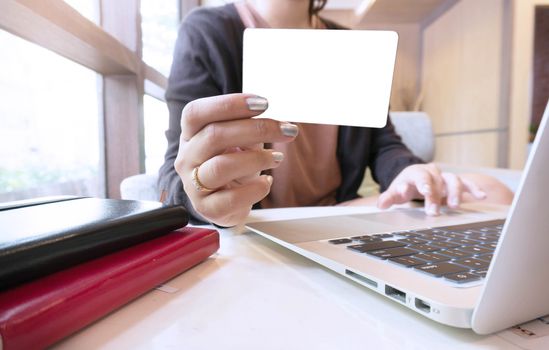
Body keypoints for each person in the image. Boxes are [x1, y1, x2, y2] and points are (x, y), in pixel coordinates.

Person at [158, 0, 513, 227]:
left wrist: (410, 172)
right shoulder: (209, 32)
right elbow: (176, 174)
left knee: (492, 191)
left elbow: (384, 145)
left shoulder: (349, 43)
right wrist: (202, 193)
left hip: (332, 218)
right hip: (255, 224)